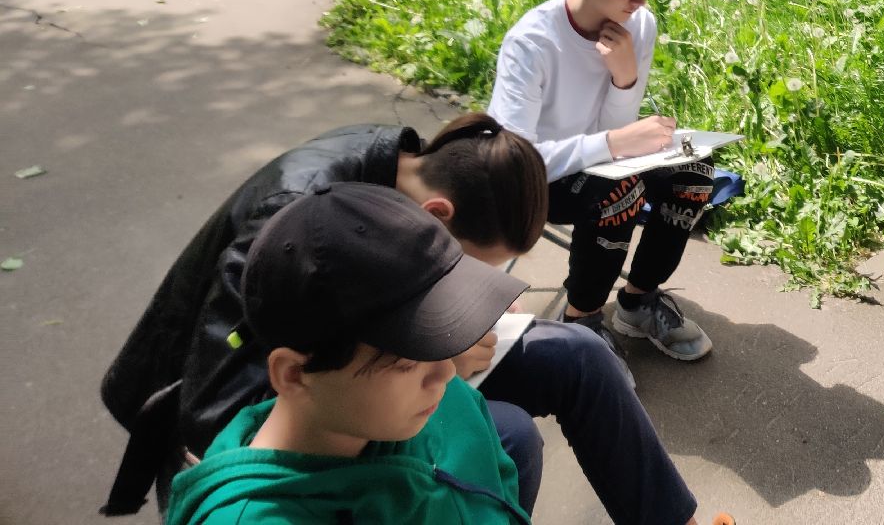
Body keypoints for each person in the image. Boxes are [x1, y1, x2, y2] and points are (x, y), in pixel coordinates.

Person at [101, 113, 705, 525]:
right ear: (435, 219)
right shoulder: (292, 230)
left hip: (377, 372)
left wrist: (453, 324)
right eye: (463, 269)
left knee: (577, 354)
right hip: (258, 408)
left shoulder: (402, 162)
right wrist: (444, 348)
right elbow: (226, 408)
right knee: (509, 433)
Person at [166, 182, 532, 524]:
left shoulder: (436, 402)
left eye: (437, 341)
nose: (446, 373)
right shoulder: (255, 516)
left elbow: (499, 486)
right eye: (406, 363)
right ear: (294, 374)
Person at [489, 0, 716, 365]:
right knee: (621, 192)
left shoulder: (638, 26)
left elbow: (616, 128)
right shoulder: (532, 42)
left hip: (604, 163)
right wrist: (615, 144)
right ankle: (583, 323)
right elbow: (511, 160)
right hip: (534, 181)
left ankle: (637, 302)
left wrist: (625, 79)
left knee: (695, 169)